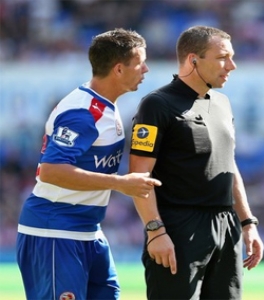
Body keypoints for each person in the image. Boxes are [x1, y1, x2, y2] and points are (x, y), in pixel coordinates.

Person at [16, 28, 161, 300]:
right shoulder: (83, 113)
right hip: (55, 230)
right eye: (140, 62)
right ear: (118, 69)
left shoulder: (106, 107)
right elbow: (51, 171)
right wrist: (120, 183)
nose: (146, 69)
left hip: (87, 230)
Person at [129, 25, 264, 300]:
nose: (232, 65)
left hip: (227, 226)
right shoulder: (156, 104)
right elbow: (139, 176)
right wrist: (155, 231)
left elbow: (229, 165)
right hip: (179, 228)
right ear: (193, 60)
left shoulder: (223, 103)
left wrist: (247, 222)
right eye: (223, 57)